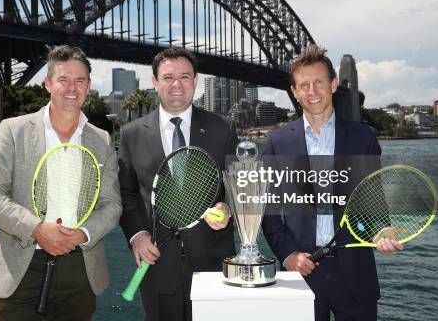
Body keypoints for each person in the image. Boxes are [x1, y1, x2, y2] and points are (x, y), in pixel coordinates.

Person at [0, 45, 122, 321]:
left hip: (80, 268)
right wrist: (36, 229)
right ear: (47, 84)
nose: (72, 88)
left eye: (79, 81)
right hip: (21, 265)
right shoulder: (13, 129)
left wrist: (83, 234)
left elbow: (111, 205)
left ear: (88, 86)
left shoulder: (102, 140)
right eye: (63, 80)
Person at [261, 44, 402, 321]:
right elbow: (268, 210)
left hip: (355, 274)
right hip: (302, 272)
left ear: (334, 84)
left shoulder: (364, 138)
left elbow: (372, 201)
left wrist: (383, 231)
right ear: (294, 91)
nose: (312, 92)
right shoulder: (278, 143)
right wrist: (288, 255)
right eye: (304, 85)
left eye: (319, 82)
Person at [118, 47, 238, 321]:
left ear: (195, 81)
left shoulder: (223, 128)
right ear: (155, 82)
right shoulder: (131, 134)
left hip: (213, 264)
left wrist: (228, 208)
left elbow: (238, 186)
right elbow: (127, 195)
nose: (176, 84)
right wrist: (137, 236)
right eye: (168, 76)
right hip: (156, 265)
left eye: (185, 76)